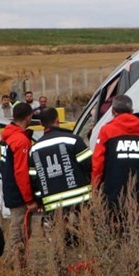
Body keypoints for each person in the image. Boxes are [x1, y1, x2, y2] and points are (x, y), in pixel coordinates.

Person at [29, 107, 91, 251]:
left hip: (52, 203)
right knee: (86, 237)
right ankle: (88, 261)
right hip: (79, 199)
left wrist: (39, 201)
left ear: (41, 125)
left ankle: (60, 264)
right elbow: (89, 165)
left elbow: (34, 180)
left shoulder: (34, 149)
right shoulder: (73, 140)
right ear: (57, 120)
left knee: (58, 241)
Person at [92, 95, 139, 224]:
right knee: (134, 222)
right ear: (132, 111)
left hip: (112, 188)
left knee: (114, 224)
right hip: (138, 185)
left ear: (113, 111)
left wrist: (95, 185)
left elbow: (98, 162)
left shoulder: (106, 130)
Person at [0, 103, 35, 268]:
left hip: (10, 189)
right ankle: (16, 266)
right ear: (29, 117)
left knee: (17, 228)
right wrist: (29, 198)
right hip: (19, 193)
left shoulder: (6, 137)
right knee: (19, 230)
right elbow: (21, 172)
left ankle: (16, 265)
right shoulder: (20, 140)